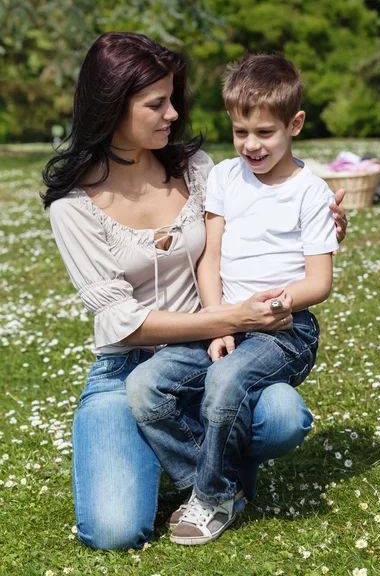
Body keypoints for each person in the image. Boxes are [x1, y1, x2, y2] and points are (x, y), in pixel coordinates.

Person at [42, 32, 347, 551]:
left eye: (173, 99)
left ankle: (209, 482)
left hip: (218, 349)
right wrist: (229, 319)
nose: (174, 113)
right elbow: (126, 321)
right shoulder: (72, 205)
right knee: (114, 532)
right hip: (131, 365)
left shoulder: (200, 169)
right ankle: (204, 473)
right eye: (157, 103)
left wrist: (322, 225)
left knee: (282, 415)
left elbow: (265, 219)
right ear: (114, 104)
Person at [126, 53, 339, 546]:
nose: (251, 145)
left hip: (286, 330)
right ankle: (218, 481)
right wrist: (220, 323)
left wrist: (275, 306)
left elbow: (319, 282)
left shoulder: (310, 192)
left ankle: (210, 497)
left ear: (296, 124)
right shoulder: (224, 176)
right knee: (144, 387)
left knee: (225, 379)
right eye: (241, 132)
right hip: (225, 321)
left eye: (265, 132)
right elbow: (210, 259)